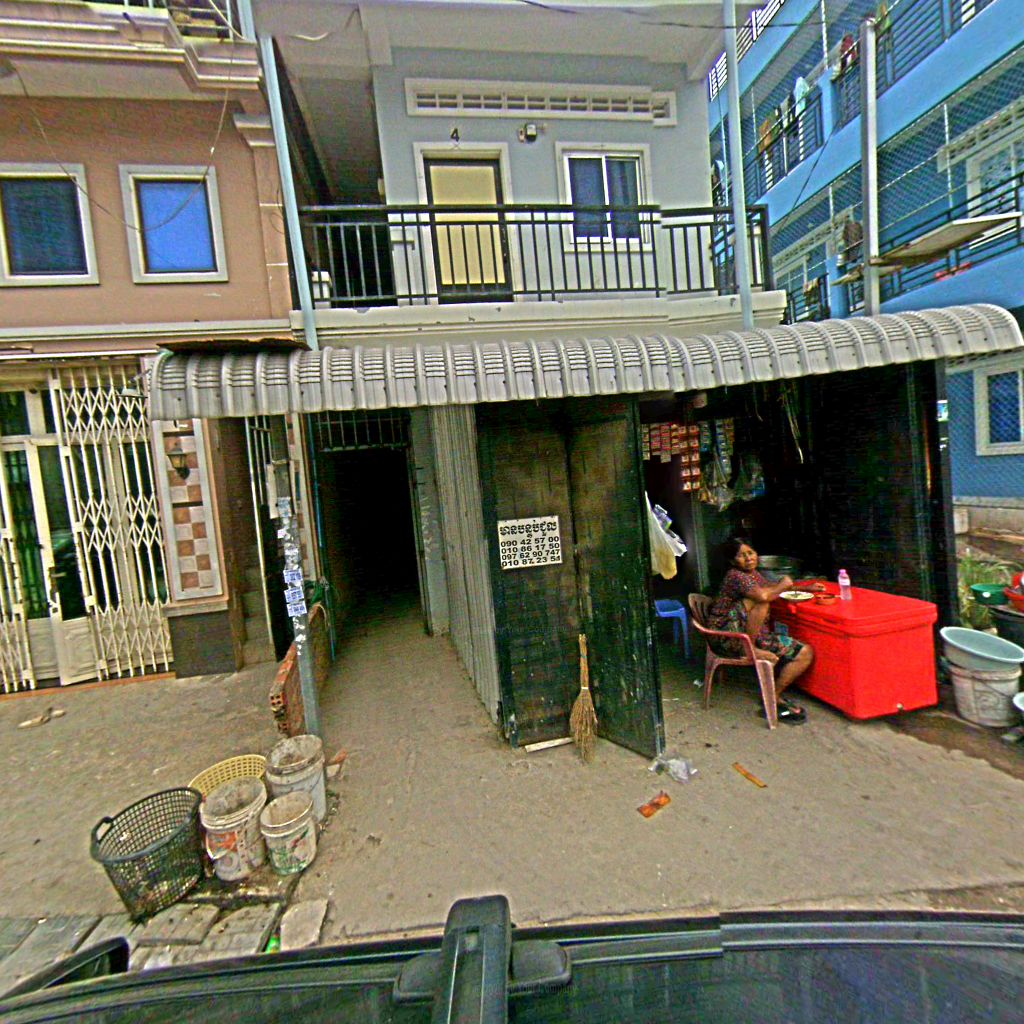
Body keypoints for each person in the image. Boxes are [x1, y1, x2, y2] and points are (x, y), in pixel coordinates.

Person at [707, 537, 821, 724]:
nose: (748, 558)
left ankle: (773, 695)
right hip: (727, 636)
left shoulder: (754, 574)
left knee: (805, 653)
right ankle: (749, 648)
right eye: (741, 555)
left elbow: (772, 588)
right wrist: (783, 584)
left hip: (754, 633)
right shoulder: (735, 576)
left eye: (750, 553)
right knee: (762, 600)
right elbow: (764, 595)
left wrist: (806, 588)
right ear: (732, 561)